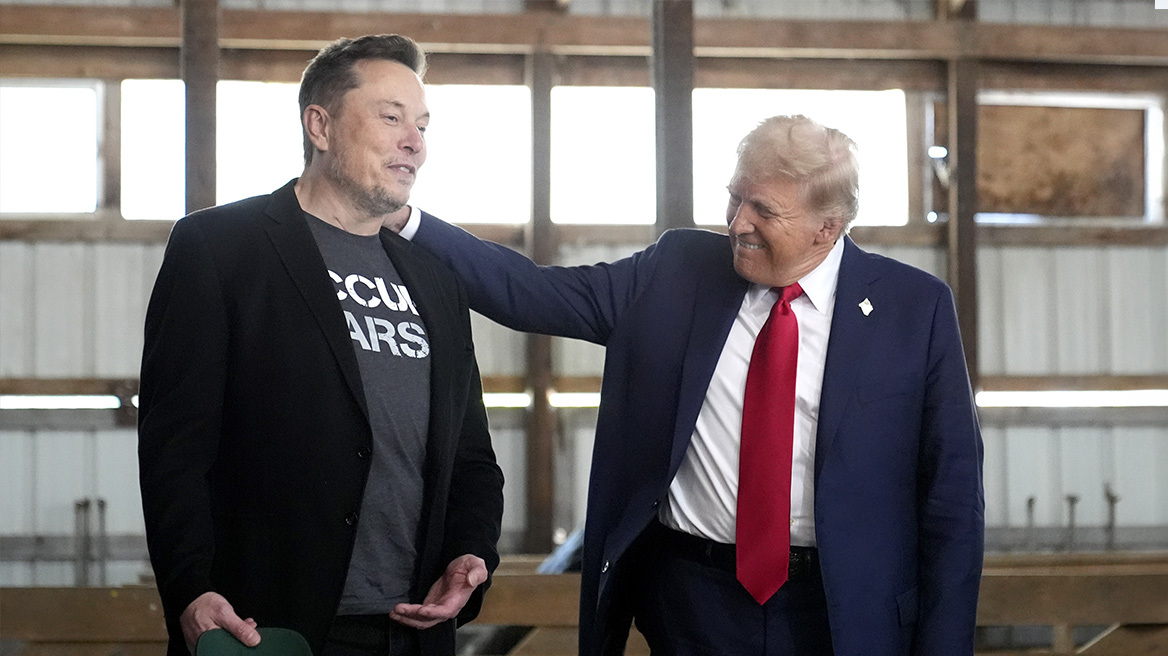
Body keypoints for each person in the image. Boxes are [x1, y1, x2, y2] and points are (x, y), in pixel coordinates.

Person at [394, 115, 984, 655]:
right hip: (694, 604)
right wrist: (403, 219)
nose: (738, 223)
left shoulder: (915, 309)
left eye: (763, 210)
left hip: (844, 612)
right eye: (734, 197)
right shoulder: (677, 272)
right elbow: (530, 292)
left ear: (827, 228)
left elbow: (952, 502)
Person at [138, 34, 504, 656]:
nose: (414, 142)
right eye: (391, 118)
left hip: (413, 629)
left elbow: (471, 457)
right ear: (320, 126)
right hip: (266, 626)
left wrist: (471, 551)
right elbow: (176, 445)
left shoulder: (436, 280)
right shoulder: (221, 248)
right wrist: (190, 587)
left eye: (421, 126)